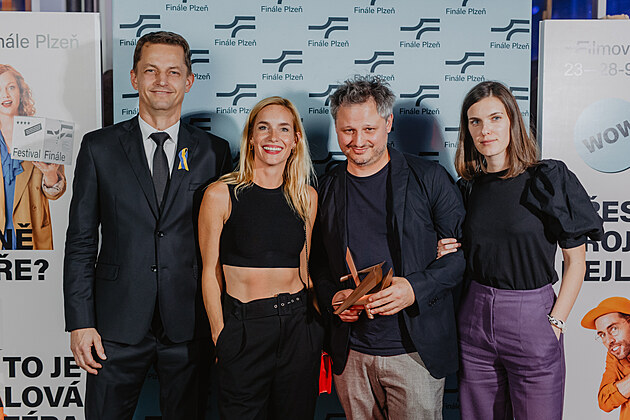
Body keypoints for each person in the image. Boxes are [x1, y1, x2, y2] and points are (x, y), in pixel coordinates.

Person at [63, 31, 232, 419]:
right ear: (134, 78)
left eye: (173, 72)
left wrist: (223, 323)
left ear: (189, 81)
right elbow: (81, 241)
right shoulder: (98, 147)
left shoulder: (214, 152)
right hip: (114, 325)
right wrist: (80, 323)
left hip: (190, 322)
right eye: (151, 70)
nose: (162, 81)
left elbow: (224, 245)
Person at [437, 80, 604, 419]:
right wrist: (446, 249)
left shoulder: (547, 179)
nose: (485, 130)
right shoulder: (466, 188)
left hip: (532, 317)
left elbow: (575, 261)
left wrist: (556, 322)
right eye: (475, 122)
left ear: (512, 120)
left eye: (495, 118)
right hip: (474, 319)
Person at [310, 75, 465, 420]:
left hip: (414, 353)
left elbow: (461, 257)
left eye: (369, 129)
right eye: (348, 130)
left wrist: (414, 288)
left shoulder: (429, 178)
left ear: (388, 122)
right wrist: (333, 298)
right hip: (351, 353)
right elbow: (317, 262)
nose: (358, 141)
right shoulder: (327, 187)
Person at [199, 96, 323, 419]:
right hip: (244, 330)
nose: (273, 137)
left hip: (299, 328)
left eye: (284, 129)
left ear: (295, 140)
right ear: (251, 137)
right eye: (264, 128)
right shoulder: (220, 194)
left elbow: (305, 268)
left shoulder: (306, 197)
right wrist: (220, 335)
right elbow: (210, 273)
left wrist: (320, 324)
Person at [0, 64, 66, 250]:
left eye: (11, 87)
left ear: (21, 92)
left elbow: (55, 194)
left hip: (31, 231)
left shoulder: (44, 134)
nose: (5, 95)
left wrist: (50, 175)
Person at [581, 297, 630, 420]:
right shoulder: (615, 355)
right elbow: (605, 401)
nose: (608, 341)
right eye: (602, 334)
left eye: (613, 329)